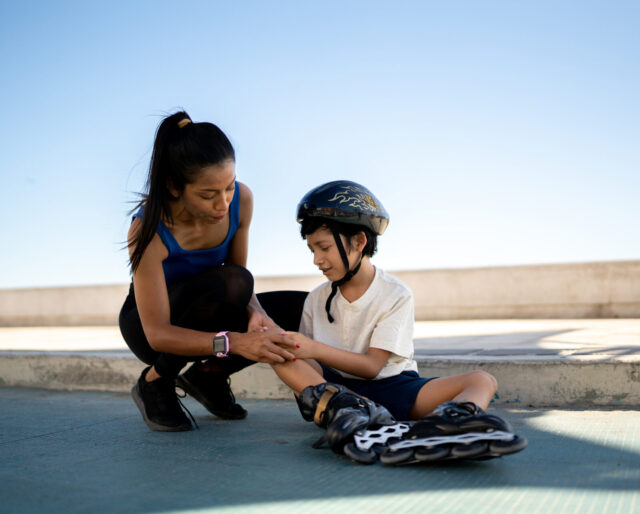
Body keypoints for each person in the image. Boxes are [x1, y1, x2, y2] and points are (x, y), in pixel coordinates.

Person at [269, 180, 526, 464]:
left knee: (482, 379)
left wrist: (313, 348)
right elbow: (309, 365)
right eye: (312, 250)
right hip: (339, 395)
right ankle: (347, 412)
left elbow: (372, 367)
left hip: (394, 389)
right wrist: (290, 348)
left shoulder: (395, 293)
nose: (317, 259)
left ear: (359, 241)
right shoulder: (316, 299)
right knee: (279, 355)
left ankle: (448, 423)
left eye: (324, 247)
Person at [119, 111, 305, 432]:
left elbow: (239, 280)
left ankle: (209, 376)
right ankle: (155, 381)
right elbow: (158, 333)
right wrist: (232, 343)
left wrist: (257, 314)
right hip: (154, 331)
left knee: (302, 309)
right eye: (208, 195)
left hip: (215, 304)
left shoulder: (241, 200)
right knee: (232, 283)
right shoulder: (147, 230)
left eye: (228, 187)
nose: (223, 203)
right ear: (174, 187)